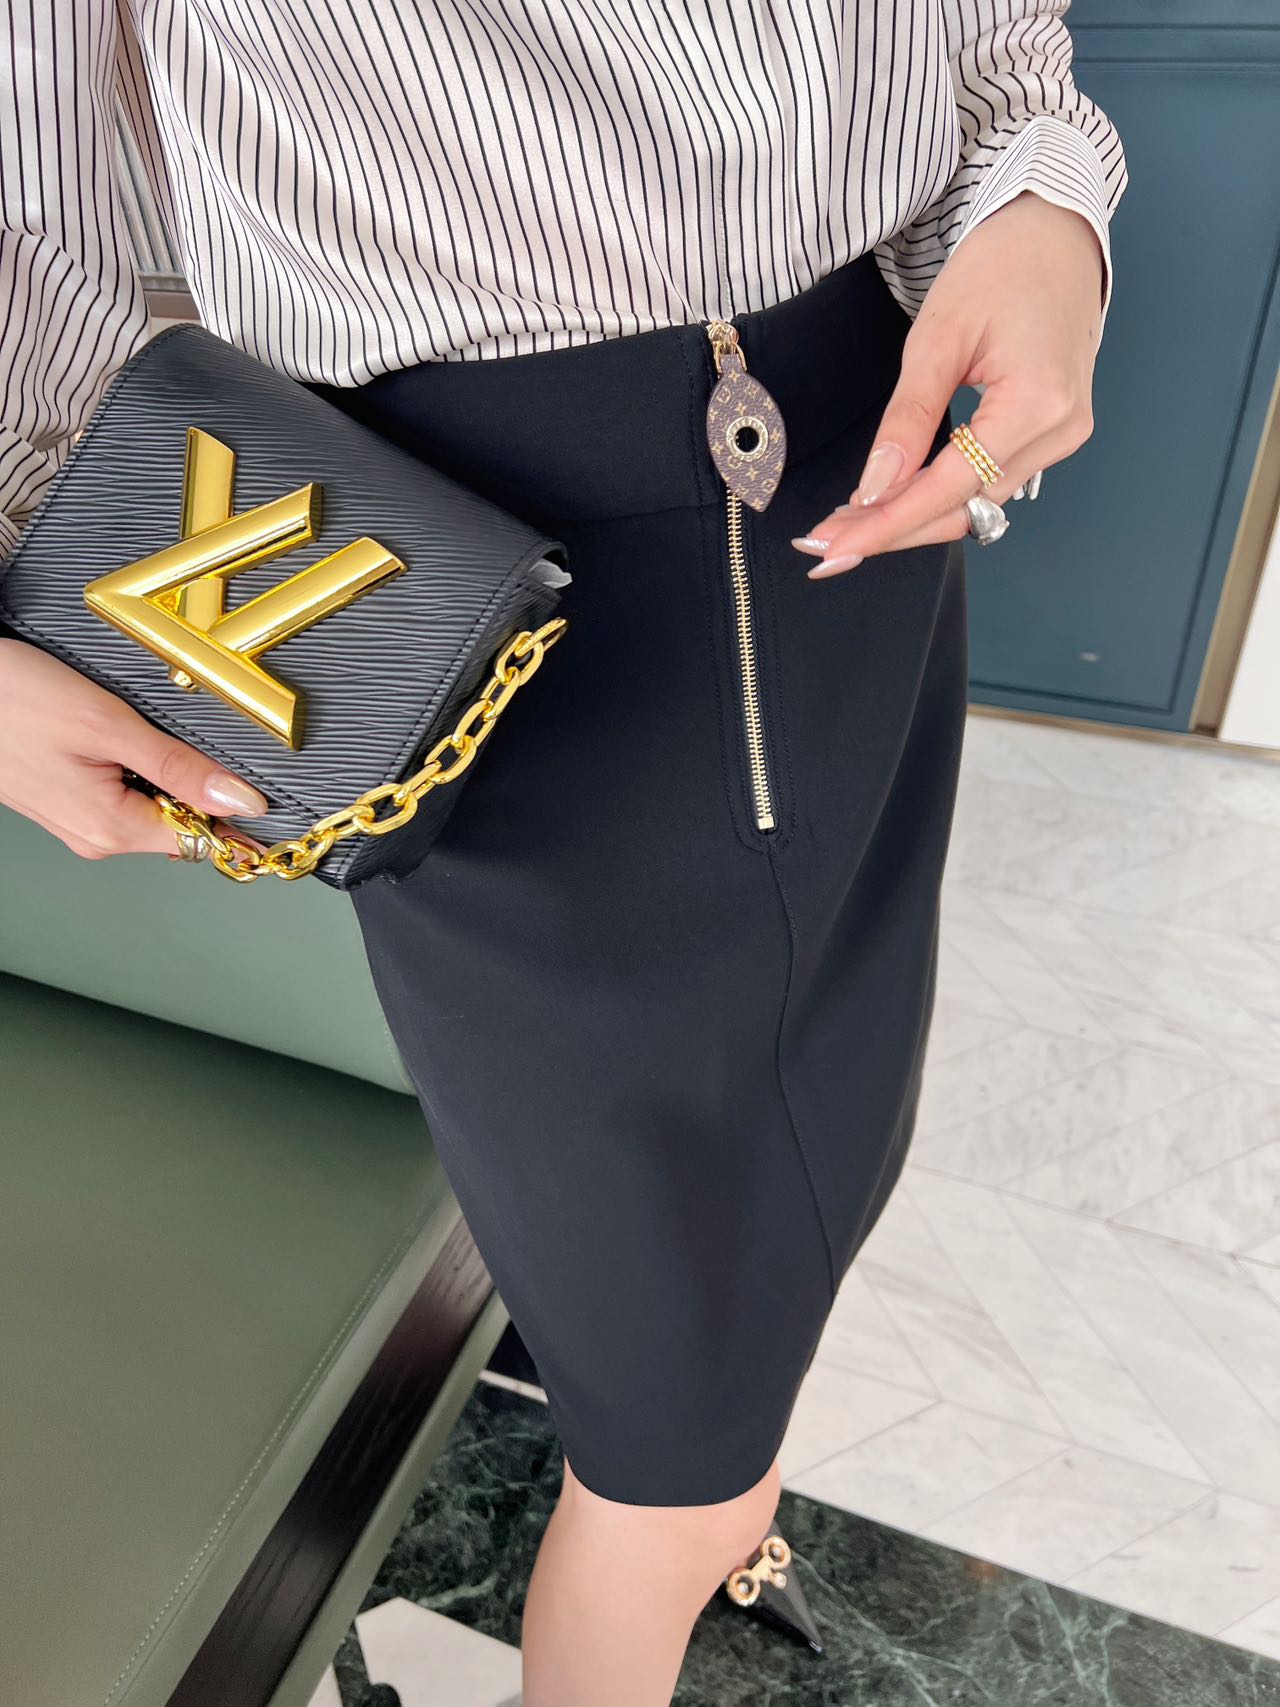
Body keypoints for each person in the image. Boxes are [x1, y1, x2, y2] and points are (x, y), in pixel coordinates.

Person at [0, 6, 1125, 1703]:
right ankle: (688, 1542)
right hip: (431, 549)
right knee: (673, 1395)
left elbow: (975, 46)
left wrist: (1040, 201)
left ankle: (719, 1518)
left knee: (809, 1172)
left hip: (861, 453)